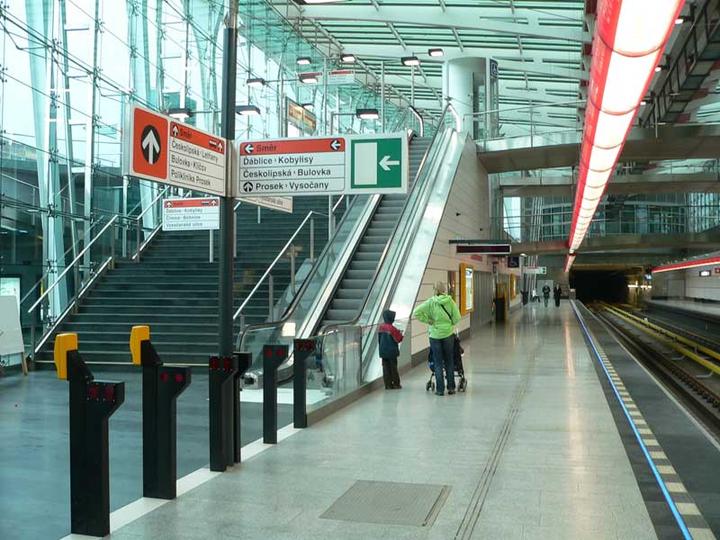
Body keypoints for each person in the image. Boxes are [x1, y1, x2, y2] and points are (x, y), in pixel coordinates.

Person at [413, 281, 461, 396]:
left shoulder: (431, 302)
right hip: (448, 335)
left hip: (435, 336)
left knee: (438, 362)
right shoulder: (450, 301)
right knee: (449, 360)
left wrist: (428, 320)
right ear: (444, 289)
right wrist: (450, 324)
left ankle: (440, 390)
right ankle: (451, 388)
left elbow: (416, 312)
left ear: (434, 290)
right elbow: (457, 317)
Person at [378, 309, 403, 389]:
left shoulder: (381, 327)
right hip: (392, 352)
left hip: (383, 351)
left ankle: (388, 384)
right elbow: (398, 339)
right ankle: (396, 384)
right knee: (393, 368)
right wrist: (400, 334)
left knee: (385, 368)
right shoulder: (392, 328)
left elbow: (379, 340)